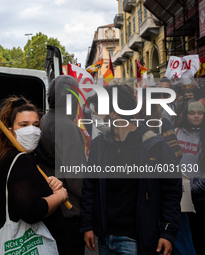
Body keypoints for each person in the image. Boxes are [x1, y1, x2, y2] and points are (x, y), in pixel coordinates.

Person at [81, 84, 182, 255]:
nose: (94, 115)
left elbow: (171, 191)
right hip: (105, 238)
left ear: (113, 113)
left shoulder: (154, 146)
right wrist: (87, 225)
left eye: (97, 110)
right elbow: (90, 187)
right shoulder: (99, 145)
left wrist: (167, 231)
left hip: (135, 241)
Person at [0, 96, 69, 255]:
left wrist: (48, 187)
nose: (32, 131)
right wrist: (60, 196)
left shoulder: (6, 157)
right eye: (24, 125)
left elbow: (22, 196)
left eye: (36, 125)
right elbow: (30, 211)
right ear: (10, 131)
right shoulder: (20, 160)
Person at [37, 75, 87, 255]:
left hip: (49, 208)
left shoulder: (43, 121)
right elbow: (77, 179)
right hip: (68, 212)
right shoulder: (67, 127)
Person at [175, 100, 205, 255]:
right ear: (185, 115)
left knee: (199, 236)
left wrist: (194, 188)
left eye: (200, 113)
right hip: (179, 195)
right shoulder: (176, 132)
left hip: (199, 197)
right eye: (192, 113)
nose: (196, 116)